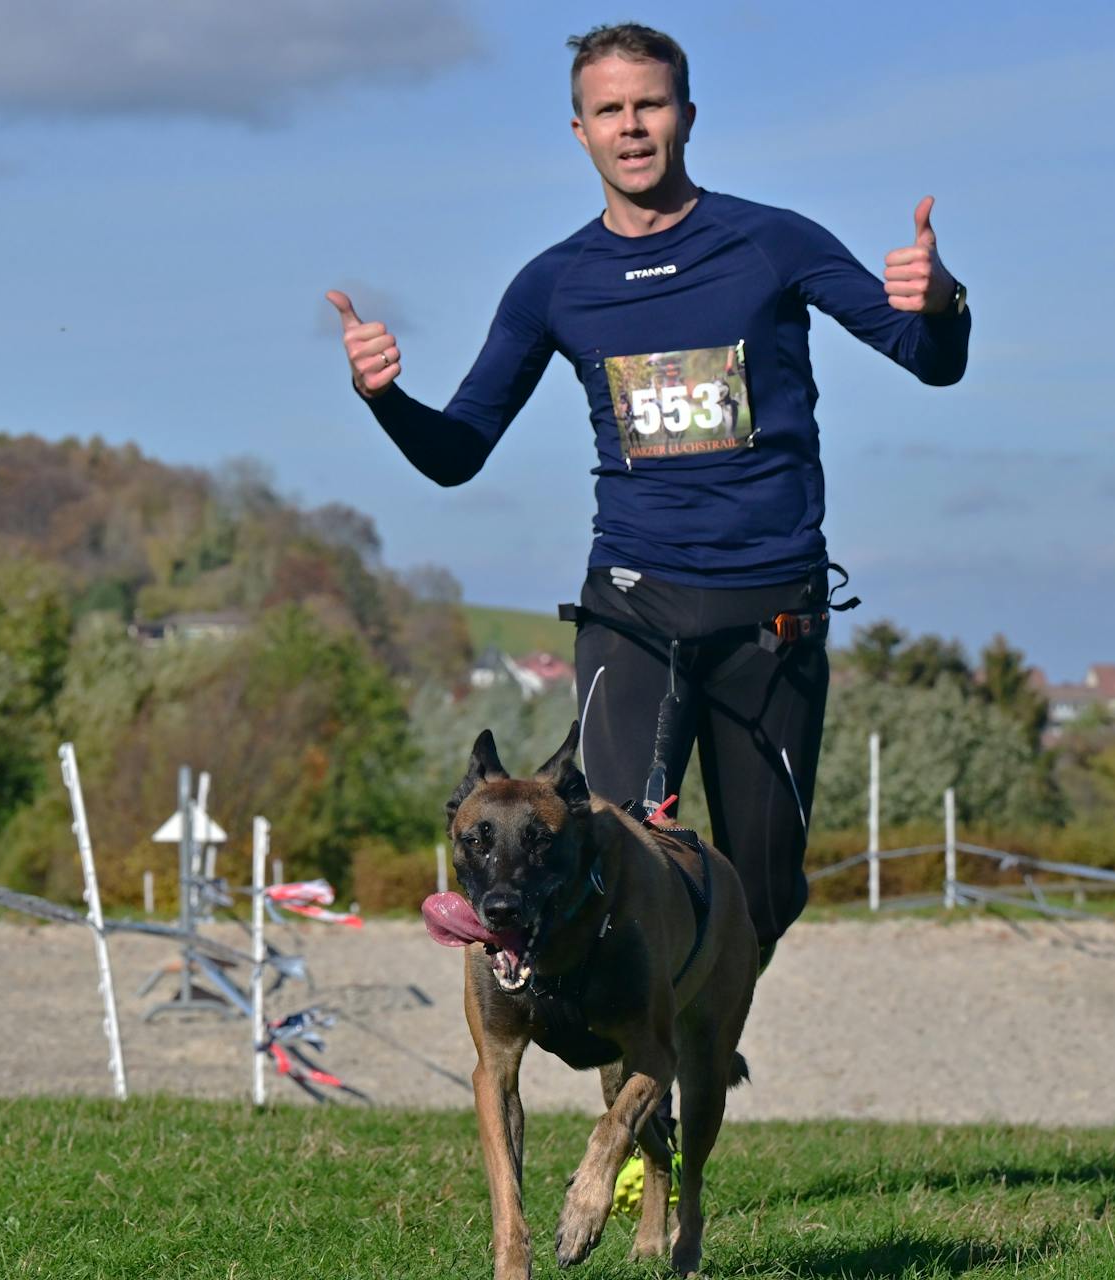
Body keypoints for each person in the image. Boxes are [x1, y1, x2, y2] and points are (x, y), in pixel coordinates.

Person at [328, 22, 969, 972]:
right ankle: (639, 1069)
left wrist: (943, 300)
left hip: (772, 610)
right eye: (609, 111)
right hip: (632, 602)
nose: (632, 128)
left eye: (650, 105)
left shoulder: (771, 242)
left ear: (687, 117)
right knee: (613, 852)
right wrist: (384, 400)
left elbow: (931, 362)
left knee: (762, 888)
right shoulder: (554, 283)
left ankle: (700, 1020)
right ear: (580, 132)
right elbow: (456, 453)